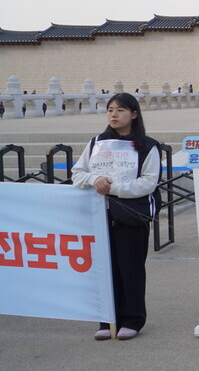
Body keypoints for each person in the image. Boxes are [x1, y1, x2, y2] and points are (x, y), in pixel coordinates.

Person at [72, 93, 161, 341]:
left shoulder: (147, 146)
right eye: (110, 109)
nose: (113, 114)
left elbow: (148, 183)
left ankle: (132, 319)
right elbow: (78, 173)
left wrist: (113, 188)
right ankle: (107, 320)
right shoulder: (96, 143)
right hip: (99, 217)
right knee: (105, 269)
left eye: (120, 110)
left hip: (132, 216)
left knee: (130, 269)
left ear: (134, 114)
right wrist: (94, 179)